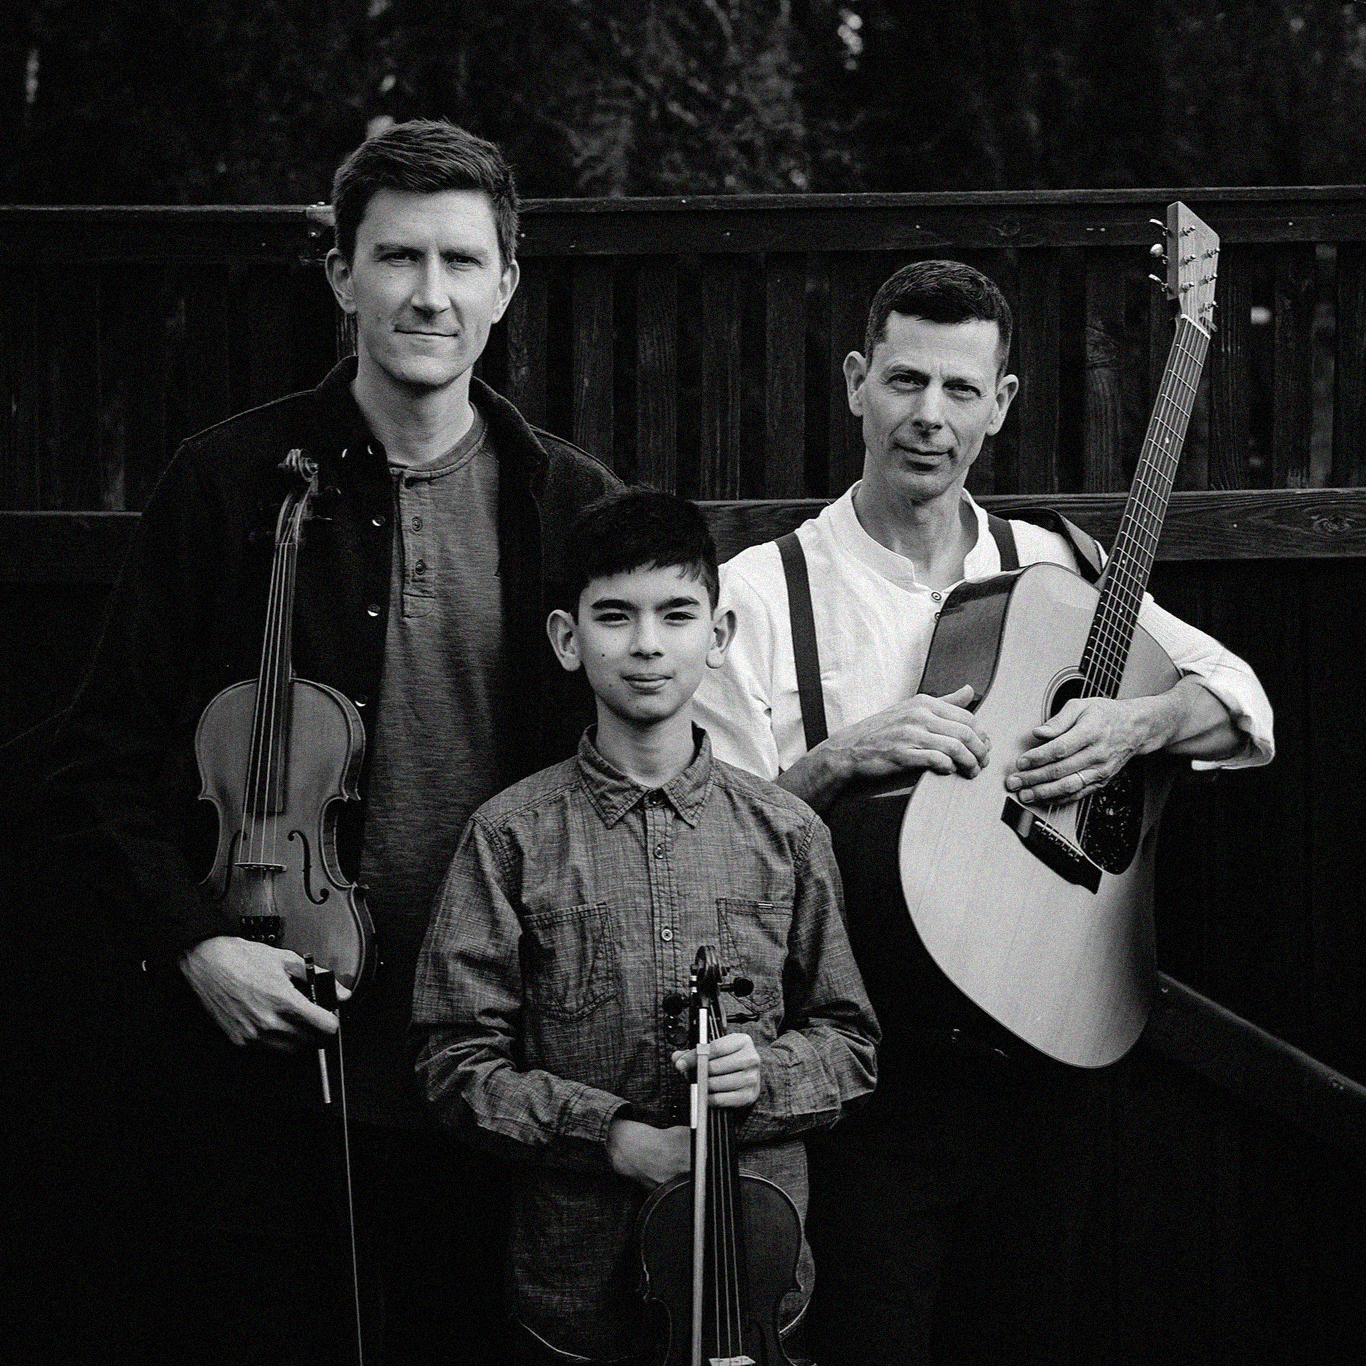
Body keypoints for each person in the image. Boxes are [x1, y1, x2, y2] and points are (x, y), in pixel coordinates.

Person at [27, 119, 619, 1365]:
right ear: (342, 274)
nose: (429, 293)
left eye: (461, 261)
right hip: (274, 1047)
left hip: (499, 1056)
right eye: (397, 257)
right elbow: (95, 765)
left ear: (507, 284)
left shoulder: (573, 505)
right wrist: (197, 946)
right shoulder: (228, 480)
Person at [693, 259, 1275, 1364]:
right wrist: (837, 759)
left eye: (961, 389)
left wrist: (1134, 724)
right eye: (905, 380)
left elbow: (1240, 702)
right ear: (856, 382)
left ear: (1000, 404)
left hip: (1045, 1064)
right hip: (860, 1073)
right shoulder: (757, 593)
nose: (930, 415)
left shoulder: (1056, 565)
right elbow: (707, 846)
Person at [411, 488, 879, 1365]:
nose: (647, 644)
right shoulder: (509, 837)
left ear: (720, 634)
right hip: (576, 1294)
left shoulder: (788, 834)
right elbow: (453, 1064)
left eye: (676, 613)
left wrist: (768, 1077)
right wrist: (614, 1139)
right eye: (615, 616)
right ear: (567, 639)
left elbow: (851, 1045)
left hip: (755, 1292)